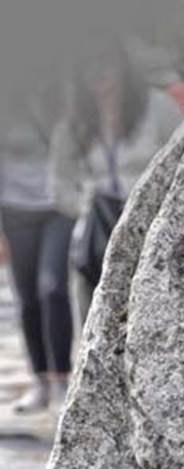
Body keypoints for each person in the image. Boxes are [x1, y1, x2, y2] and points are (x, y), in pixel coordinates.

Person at [49, 38, 183, 324]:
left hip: (149, 231)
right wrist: (84, 207)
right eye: (88, 65)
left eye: (105, 62)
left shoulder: (158, 107)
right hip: (96, 239)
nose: (98, 72)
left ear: (122, 65)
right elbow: (59, 185)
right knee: (96, 325)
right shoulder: (73, 124)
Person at [0, 84, 76, 413]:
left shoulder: (59, 96)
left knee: (53, 288)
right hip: (15, 211)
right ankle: (40, 382)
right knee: (27, 297)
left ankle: (62, 380)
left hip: (58, 207)